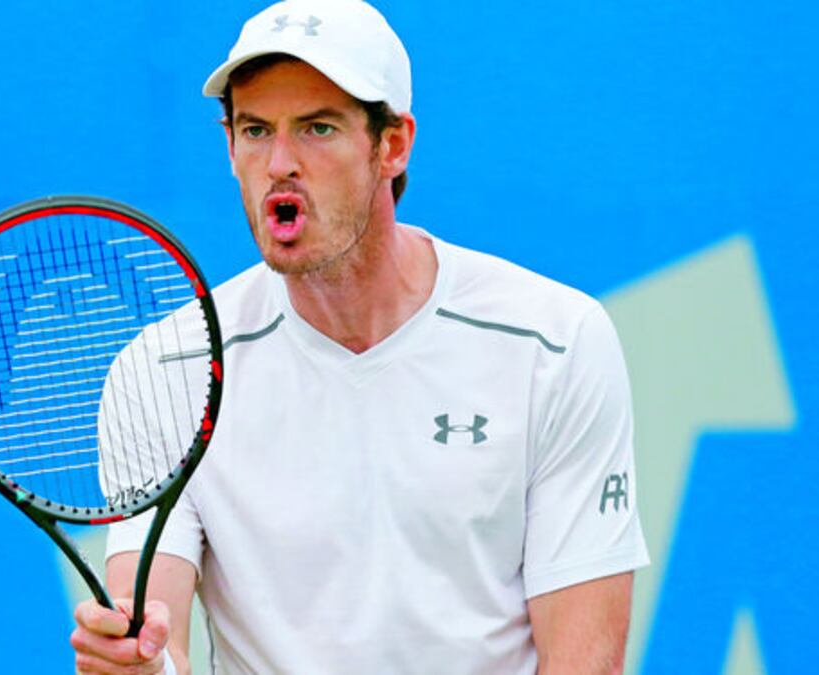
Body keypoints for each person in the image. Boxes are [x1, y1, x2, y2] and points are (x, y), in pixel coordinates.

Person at [71, 0, 649, 672]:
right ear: (230, 146)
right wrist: (141, 666)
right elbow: (155, 635)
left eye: (317, 128)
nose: (279, 163)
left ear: (392, 145)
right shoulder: (167, 370)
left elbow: (585, 660)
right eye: (255, 130)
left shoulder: (554, 343)